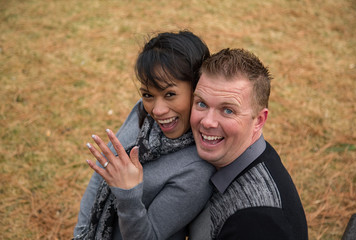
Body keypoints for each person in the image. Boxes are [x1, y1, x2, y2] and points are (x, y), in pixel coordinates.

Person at [73, 31, 215, 240]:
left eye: (170, 94)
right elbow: (101, 176)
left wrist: (128, 194)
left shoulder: (197, 170)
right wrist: (80, 235)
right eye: (148, 94)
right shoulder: (142, 113)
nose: (157, 110)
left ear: (196, 89)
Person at [188, 48, 308, 240]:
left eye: (227, 110)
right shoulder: (234, 153)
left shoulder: (257, 223)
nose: (207, 122)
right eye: (201, 104)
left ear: (259, 120)